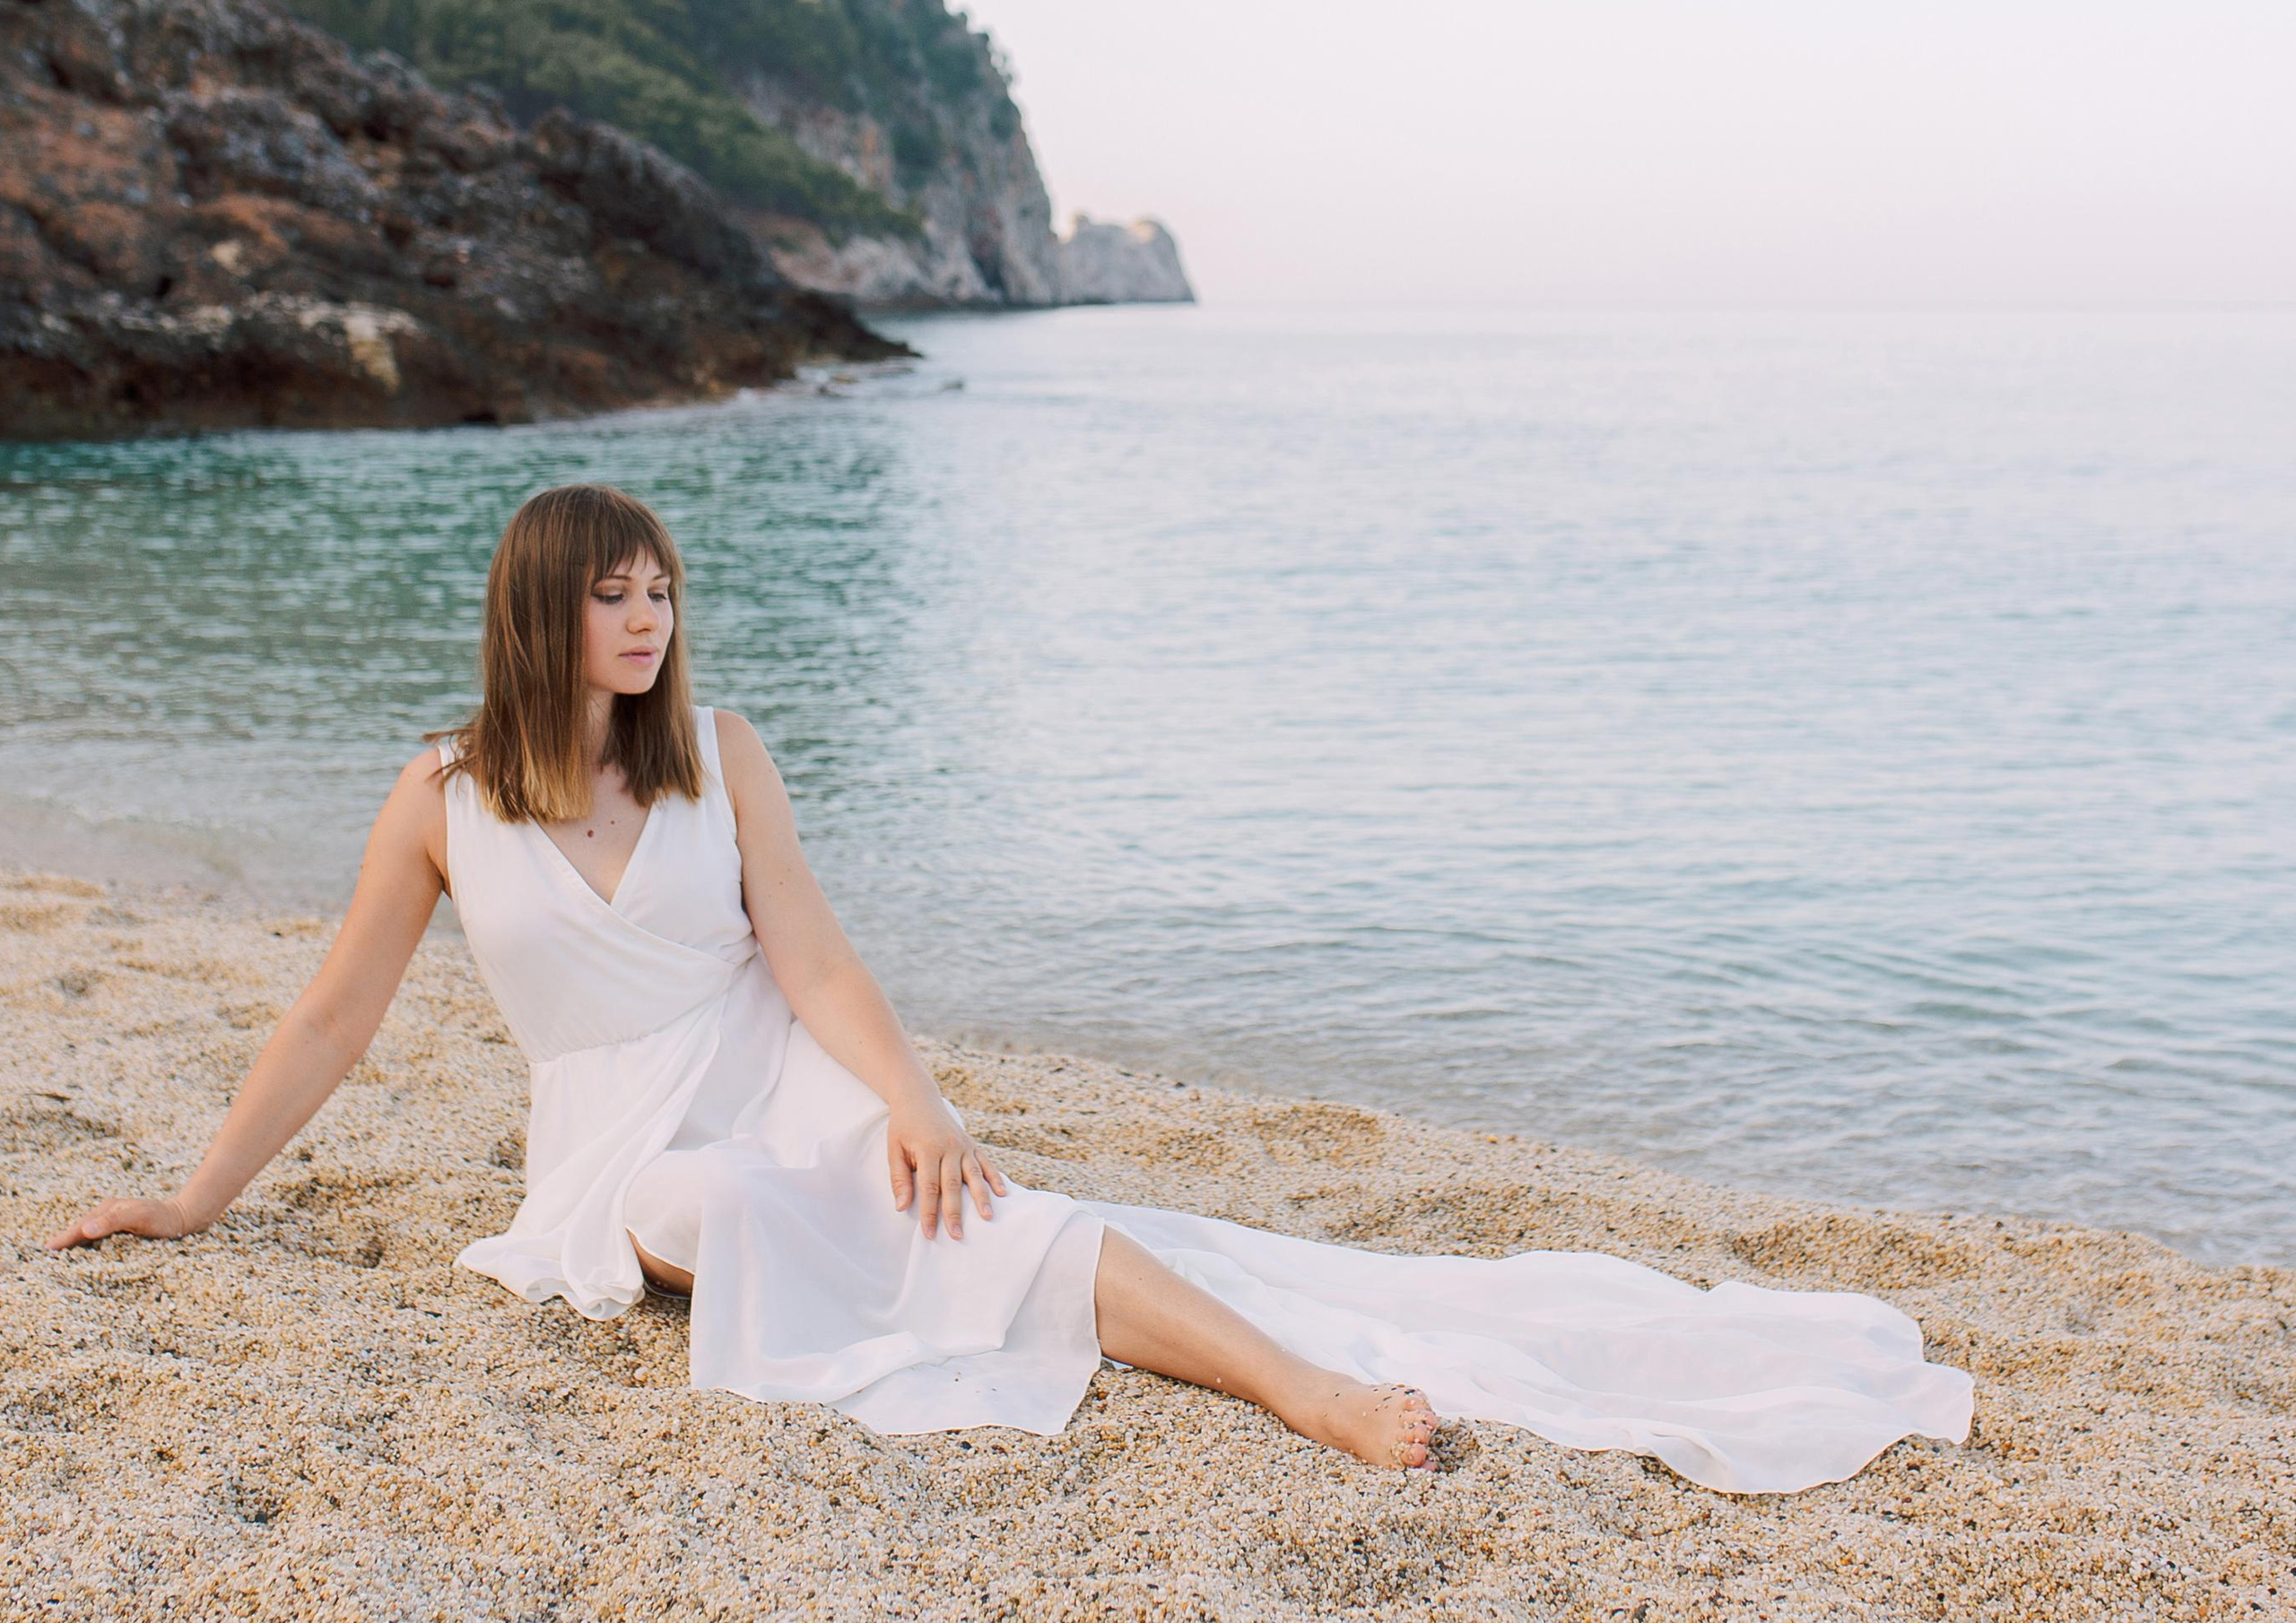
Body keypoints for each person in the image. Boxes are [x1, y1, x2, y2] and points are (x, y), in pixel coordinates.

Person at [48, 484, 1972, 1490]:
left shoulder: (721, 750)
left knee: (967, 1206)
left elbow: (810, 955)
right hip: (612, 1142)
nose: (644, 616)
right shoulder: (443, 795)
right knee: (705, 1211)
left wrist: (913, 1099)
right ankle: (1118, 1316)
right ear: (535, 606)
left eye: (660, 587)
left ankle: (1297, 1384)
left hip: (777, 1062)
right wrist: (196, 1195)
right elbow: (333, 1016)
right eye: (610, 590)